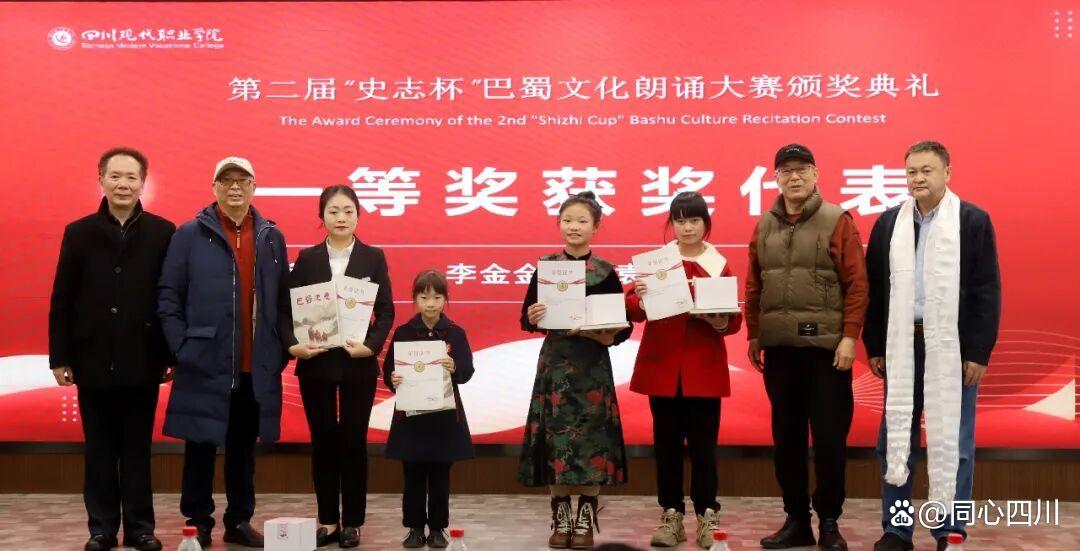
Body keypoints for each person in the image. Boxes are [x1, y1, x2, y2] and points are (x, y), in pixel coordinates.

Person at [865, 141, 1000, 551]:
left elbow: (986, 290)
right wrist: (875, 346)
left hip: (953, 349)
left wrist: (977, 352)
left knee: (955, 443)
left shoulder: (972, 221)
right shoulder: (889, 224)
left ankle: (949, 531)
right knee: (896, 441)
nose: (918, 178)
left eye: (927, 170)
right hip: (902, 345)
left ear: (947, 172)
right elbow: (876, 292)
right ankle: (897, 530)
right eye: (911, 172)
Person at [157, 156, 291, 548]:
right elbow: (168, 296)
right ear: (214, 187)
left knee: (242, 450)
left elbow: (284, 299)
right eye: (226, 180)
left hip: (254, 366)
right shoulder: (189, 234)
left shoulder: (271, 237)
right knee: (199, 446)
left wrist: (279, 350)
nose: (235, 187)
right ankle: (197, 522)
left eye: (242, 180)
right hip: (204, 361)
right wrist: (181, 347)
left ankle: (239, 521)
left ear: (254, 187)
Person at [49, 147, 175, 551]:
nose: (123, 184)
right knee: (99, 449)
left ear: (143, 183)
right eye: (115, 176)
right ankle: (101, 529)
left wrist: (170, 353)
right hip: (92, 358)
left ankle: (140, 528)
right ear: (101, 179)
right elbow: (62, 298)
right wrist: (60, 356)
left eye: (131, 177)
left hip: (143, 357)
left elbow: (170, 297)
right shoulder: (79, 232)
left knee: (138, 449)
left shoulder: (163, 232)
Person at [745, 144, 868, 550]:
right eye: (786, 171)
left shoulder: (837, 219)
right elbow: (754, 284)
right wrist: (754, 333)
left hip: (826, 351)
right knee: (787, 441)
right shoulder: (764, 225)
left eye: (801, 169)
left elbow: (857, 284)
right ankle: (796, 520)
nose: (794, 177)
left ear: (816, 173)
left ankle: (829, 522)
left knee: (830, 440)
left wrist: (849, 335)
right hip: (780, 350)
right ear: (776, 178)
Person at [626, 191, 743, 549]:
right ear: (671, 224)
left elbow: (733, 320)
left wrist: (720, 319)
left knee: (704, 448)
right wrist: (639, 295)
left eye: (694, 220)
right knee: (667, 446)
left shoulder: (717, 262)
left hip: (703, 370)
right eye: (679, 220)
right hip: (663, 369)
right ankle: (671, 515)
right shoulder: (658, 261)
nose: (687, 227)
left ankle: (707, 515)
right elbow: (633, 309)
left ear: (706, 224)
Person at [518, 191, 632, 550]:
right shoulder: (547, 267)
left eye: (582, 221)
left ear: (596, 227)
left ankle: (585, 515)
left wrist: (607, 334)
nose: (574, 227)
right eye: (567, 220)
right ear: (559, 224)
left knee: (591, 442)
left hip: (592, 367)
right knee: (557, 441)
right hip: (556, 366)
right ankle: (561, 515)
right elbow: (526, 318)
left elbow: (623, 326)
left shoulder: (605, 272)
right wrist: (533, 315)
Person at [285, 185, 395, 548]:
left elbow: (386, 311)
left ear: (358, 215)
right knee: (322, 442)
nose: (341, 218)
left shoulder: (372, 257)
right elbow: (287, 308)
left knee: (353, 442)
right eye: (333, 211)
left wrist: (371, 347)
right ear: (322, 217)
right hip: (316, 363)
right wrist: (293, 344)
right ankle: (328, 521)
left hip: (357, 364)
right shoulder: (307, 258)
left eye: (348, 211)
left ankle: (353, 523)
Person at [384, 270, 475, 549]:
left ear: (445, 299)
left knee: (439, 476)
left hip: (443, 418)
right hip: (411, 418)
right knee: (412, 476)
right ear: (415, 299)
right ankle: (414, 528)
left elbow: (467, 371)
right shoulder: (403, 332)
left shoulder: (455, 333)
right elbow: (388, 371)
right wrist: (393, 378)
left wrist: (454, 366)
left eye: (436, 297)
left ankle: (437, 528)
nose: (430, 304)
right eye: (424, 298)